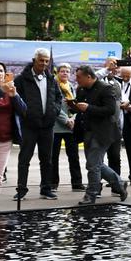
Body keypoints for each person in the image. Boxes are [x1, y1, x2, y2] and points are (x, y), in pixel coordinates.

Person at [72, 65, 128, 205]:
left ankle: (91, 195)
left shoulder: (106, 88)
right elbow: (81, 107)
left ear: (88, 77)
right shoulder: (82, 89)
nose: (76, 80)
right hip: (88, 131)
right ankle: (120, 184)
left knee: (93, 165)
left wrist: (88, 108)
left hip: (103, 132)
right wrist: (74, 106)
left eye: (79, 77)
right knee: (95, 164)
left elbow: (110, 110)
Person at [13, 48, 61, 201]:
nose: (44, 63)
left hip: (47, 126)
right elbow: (15, 100)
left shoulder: (51, 78)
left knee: (47, 159)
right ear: (34, 60)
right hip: (29, 126)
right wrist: (25, 115)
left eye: (47, 61)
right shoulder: (21, 79)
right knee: (24, 159)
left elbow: (58, 98)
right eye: (41, 60)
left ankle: (46, 189)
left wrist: (54, 111)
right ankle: (21, 189)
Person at [51, 63, 83, 191]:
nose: (65, 73)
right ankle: (52, 184)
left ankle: (77, 183)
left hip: (71, 127)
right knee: (53, 157)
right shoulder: (53, 86)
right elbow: (54, 105)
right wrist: (66, 120)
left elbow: (76, 105)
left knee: (74, 157)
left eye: (67, 72)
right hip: (56, 127)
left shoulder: (71, 87)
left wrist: (73, 119)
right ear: (57, 73)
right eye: (62, 71)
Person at [0, 62, 23, 186]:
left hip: (4, 139)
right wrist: (0, 91)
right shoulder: (3, 90)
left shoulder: (10, 89)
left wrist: (14, 96)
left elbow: (23, 110)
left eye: (1, 70)